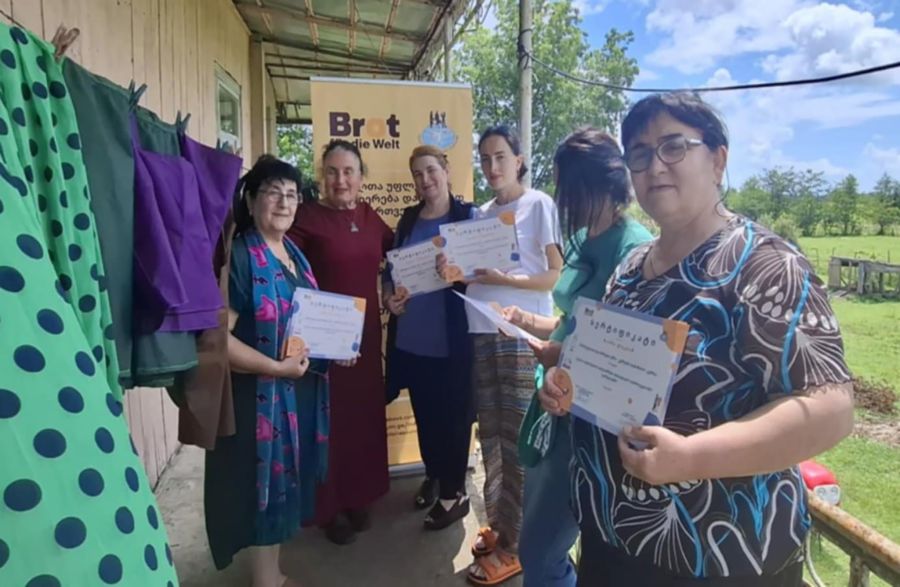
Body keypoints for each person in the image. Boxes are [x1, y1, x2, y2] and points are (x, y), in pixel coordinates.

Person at [540, 92, 855, 586]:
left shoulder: (767, 266)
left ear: (718, 160)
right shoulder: (630, 270)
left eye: (673, 146)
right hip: (610, 539)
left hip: (718, 557)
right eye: (640, 153)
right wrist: (568, 385)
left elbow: (831, 409)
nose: (654, 166)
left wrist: (691, 458)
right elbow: (607, 374)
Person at [505, 128, 653, 587]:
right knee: (537, 540)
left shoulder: (634, 248)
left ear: (600, 184)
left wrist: (561, 354)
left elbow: (627, 349)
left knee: (543, 550)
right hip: (555, 404)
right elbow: (570, 318)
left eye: (568, 187)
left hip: (593, 418)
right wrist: (528, 322)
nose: (563, 200)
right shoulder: (582, 238)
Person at [205, 155, 331, 587]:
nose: (283, 203)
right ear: (251, 200)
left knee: (283, 487)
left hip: (295, 393)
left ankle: (272, 574)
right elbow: (218, 341)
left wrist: (336, 348)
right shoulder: (241, 257)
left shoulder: (293, 254)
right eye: (273, 193)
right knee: (261, 489)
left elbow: (306, 321)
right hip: (258, 399)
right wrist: (276, 367)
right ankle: (264, 580)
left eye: (291, 195)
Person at [452, 125, 564, 586]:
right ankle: (501, 525)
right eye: (485, 158)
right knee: (492, 436)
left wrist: (505, 280)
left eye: (500, 157)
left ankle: (517, 544)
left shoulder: (538, 204)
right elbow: (470, 274)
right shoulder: (480, 215)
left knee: (518, 437)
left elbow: (554, 275)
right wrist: (453, 269)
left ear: (518, 160)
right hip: (481, 330)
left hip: (519, 333)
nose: (492, 166)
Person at [287, 140, 394, 545]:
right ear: (322, 177)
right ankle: (329, 508)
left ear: (361, 177)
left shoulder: (369, 217)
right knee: (328, 422)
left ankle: (358, 497)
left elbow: (396, 256)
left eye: (348, 171)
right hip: (323, 343)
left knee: (362, 419)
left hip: (365, 340)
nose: (341, 180)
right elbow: (283, 266)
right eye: (332, 172)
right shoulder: (306, 218)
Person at [383, 145, 477, 530]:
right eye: (418, 174)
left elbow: (484, 273)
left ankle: (455, 495)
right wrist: (389, 297)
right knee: (425, 418)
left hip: (452, 341)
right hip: (412, 339)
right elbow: (390, 271)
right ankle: (435, 475)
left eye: (431, 170)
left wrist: (459, 272)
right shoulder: (408, 219)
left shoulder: (467, 217)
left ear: (446, 170)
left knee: (454, 420)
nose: (425, 180)